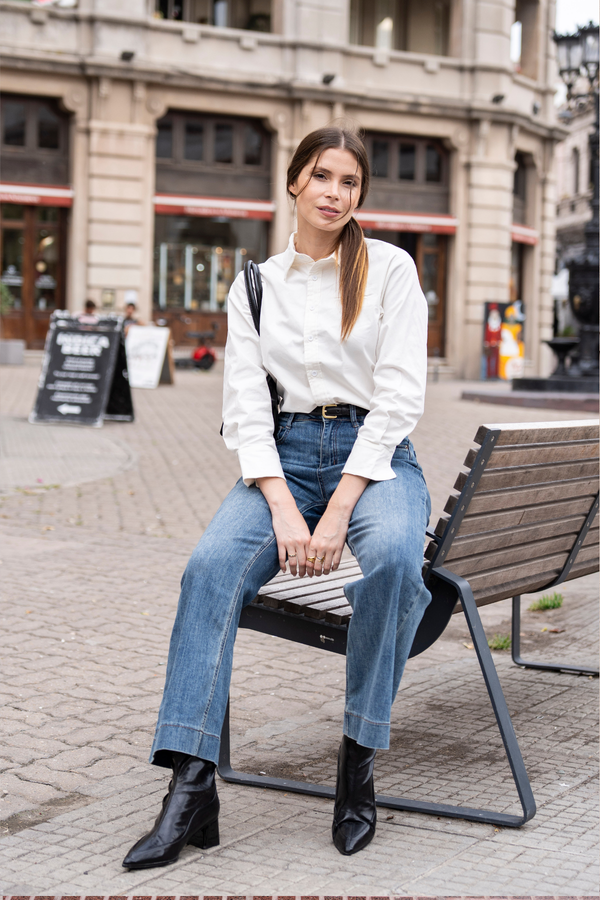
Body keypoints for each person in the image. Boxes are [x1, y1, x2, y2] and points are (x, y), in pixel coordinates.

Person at [122, 125, 432, 870]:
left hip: (376, 458)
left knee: (391, 558)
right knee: (207, 570)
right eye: (321, 176)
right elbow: (245, 407)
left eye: (349, 182)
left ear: (360, 194)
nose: (334, 192)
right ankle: (191, 787)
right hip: (282, 461)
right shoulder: (256, 282)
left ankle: (357, 760)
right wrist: (288, 510)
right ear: (294, 182)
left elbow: (397, 398)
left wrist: (335, 512)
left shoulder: (389, 269)